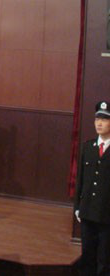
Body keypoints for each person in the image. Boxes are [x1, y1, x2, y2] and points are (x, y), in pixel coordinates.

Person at [75, 101, 110, 276]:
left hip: (106, 214)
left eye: (104, 119)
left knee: (104, 259)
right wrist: (77, 207)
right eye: (97, 119)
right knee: (87, 256)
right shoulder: (88, 147)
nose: (99, 123)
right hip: (87, 211)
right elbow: (80, 180)